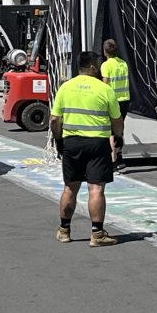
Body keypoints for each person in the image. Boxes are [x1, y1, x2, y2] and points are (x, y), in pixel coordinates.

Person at [50, 51, 124, 247]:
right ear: (92, 67)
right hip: (97, 144)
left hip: (72, 143)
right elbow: (117, 120)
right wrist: (118, 139)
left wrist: (58, 141)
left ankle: (64, 230)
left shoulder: (65, 87)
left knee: (70, 187)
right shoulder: (104, 89)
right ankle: (97, 234)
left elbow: (55, 119)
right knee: (96, 189)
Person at [100, 39, 130, 172]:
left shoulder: (106, 65)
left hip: (113, 100)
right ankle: (120, 158)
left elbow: (105, 84)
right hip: (125, 99)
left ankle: (112, 161)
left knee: (110, 132)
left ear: (105, 51)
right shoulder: (123, 64)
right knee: (119, 130)